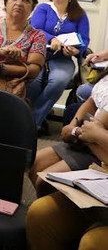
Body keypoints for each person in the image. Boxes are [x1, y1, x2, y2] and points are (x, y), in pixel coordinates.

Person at [27, 75, 108, 250]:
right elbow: (88, 108)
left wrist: (96, 135)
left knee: (92, 242)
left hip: (96, 152)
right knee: (40, 211)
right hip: (92, 148)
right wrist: (80, 130)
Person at [28, 0, 90, 130]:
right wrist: (52, 38)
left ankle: (32, 124)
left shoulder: (80, 14)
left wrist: (76, 49)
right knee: (34, 81)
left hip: (63, 57)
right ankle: (27, 118)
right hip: (39, 54)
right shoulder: (43, 8)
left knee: (59, 80)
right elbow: (35, 29)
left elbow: (84, 39)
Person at [28, 72, 108, 189]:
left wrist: (91, 135)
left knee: (44, 181)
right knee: (35, 164)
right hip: (86, 141)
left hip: (100, 153)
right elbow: (92, 101)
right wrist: (74, 128)